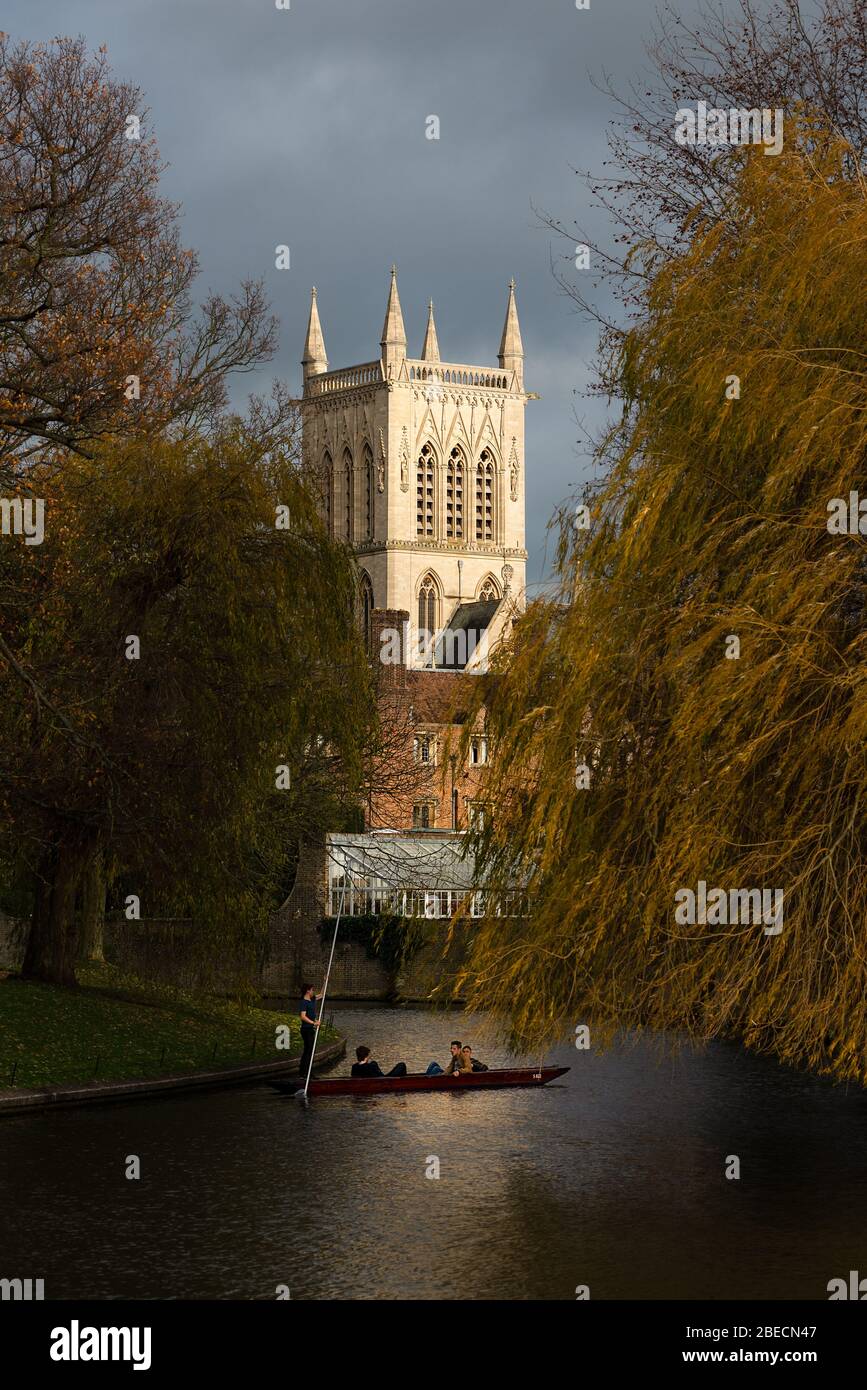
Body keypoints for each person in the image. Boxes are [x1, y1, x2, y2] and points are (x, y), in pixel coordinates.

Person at [298, 984, 321, 1079]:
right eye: (312, 990)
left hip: (310, 1029)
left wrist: (325, 981)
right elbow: (302, 1016)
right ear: (308, 991)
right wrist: (313, 1023)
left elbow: (322, 995)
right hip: (306, 1029)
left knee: (309, 1051)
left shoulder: (312, 999)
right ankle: (305, 1073)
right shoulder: (304, 1002)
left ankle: (304, 1073)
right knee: (309, 1051)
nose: (313, 992)